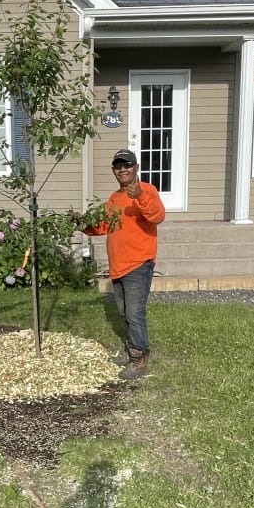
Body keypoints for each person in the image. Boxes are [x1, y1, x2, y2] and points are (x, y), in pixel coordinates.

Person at [79, 149, 165, 379]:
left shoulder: (147, 190)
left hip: (138, 264)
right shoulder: (114, 198)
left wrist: (140, 196)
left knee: (135, 314)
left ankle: (139, 358)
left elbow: (157, 216)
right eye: (118, 166)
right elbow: (104, 226)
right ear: (114, 171)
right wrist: (83, 225)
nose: (123, 169)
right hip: (118, 265)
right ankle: (131, 350)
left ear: (136, 167)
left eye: (127, 165)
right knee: (124, 312)